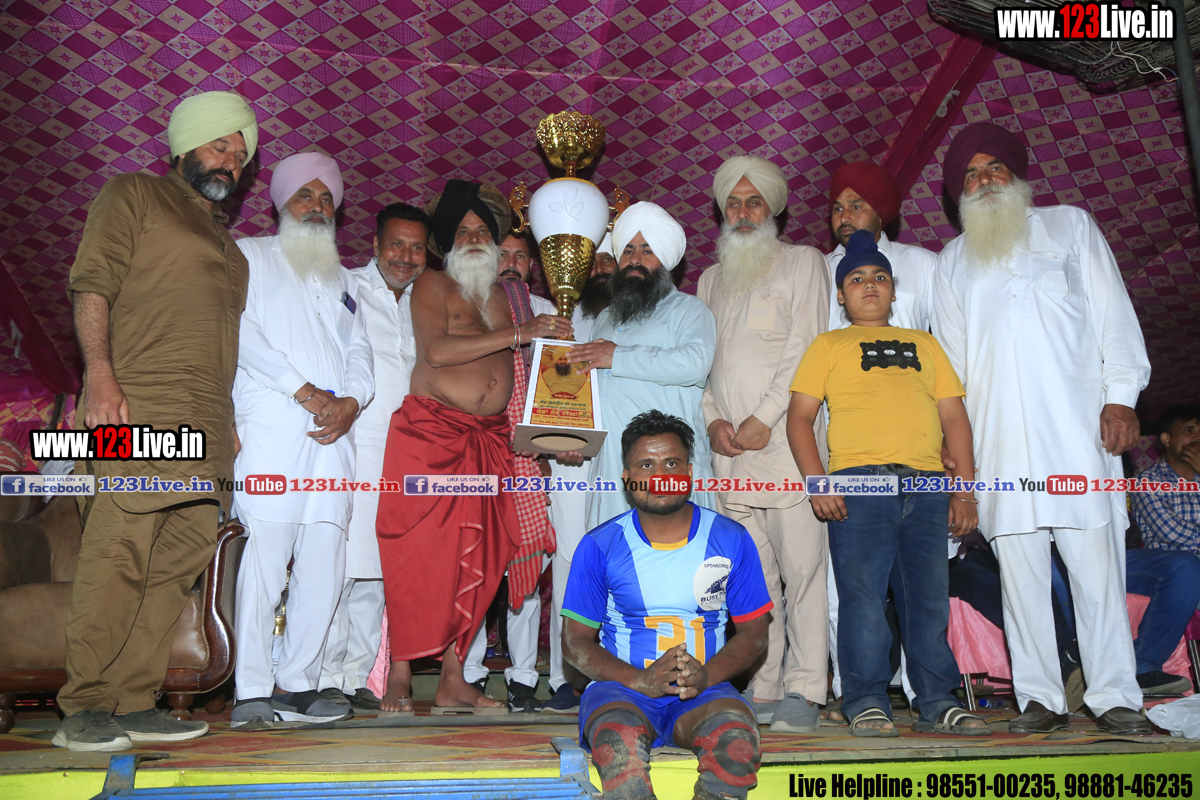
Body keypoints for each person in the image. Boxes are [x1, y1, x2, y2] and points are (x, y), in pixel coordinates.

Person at [933, 122, 1152, 735]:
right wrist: (956, 453)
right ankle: (1040, 698)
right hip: (998, 443)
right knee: (1020, 576)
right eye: (970, 175)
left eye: (993, 168)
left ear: (1017, 174)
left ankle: (1114, 696)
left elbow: (1114, 316)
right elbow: (950, 368)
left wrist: (1121, 398)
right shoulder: (952, 261)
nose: (984, 181)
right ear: (958, 193)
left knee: (1097, 569)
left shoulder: (1069, 226)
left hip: (1079, 434)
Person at [56, 90, 258, 751]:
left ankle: (134, 700)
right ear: (184, 145)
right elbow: (93, 283)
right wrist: (99, 374)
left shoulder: (232, 251)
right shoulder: (135, 194)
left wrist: (227, 420)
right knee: (119, 553)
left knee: (173, 568)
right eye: (219, 144)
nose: (230, 160)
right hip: (135, 406)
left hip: (208, 429)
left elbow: (219, 344)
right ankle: (85, 706)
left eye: (240, 153)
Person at [788, 230, 988, 738]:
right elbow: (799, 419)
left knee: (928, 599)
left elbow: (955, 419)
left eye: (880, 277)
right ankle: (866, 700)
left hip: (927, 487)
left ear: (895, 290)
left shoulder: (926, 344)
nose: (870, 285)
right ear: (840, 295)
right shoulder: (828, 345)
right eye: (856, 279)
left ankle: (937, 700)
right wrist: (818, 483)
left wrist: (965, 491)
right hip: (857, 486)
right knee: (862, 600)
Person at [375, 180, 563, 714]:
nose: (475, 239)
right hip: (430, 436)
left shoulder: (506, 299)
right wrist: (521, 333)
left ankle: (454, 679)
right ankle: (399, 675)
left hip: (491, 442)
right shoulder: (432, 285)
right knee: (417, 557)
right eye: (463, 232)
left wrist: (553, 433)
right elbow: (436, 351)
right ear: (448, 244)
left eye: (483, 231)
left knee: (479, 558)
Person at [230, 152, 374, 727]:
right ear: (281, 203)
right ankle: (251, 689)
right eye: (305, 195)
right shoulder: (249, 256)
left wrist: (351, 401)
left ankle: (299, 684)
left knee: (323, 562)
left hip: (334, 438)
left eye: (326, 198)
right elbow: (240, 333)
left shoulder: (344, 279)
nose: (317, 207)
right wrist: (306, 391)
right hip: (273, 430)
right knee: (266, 560)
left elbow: (360, 352)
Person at [562, 411, 771, 800]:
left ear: (689, 473)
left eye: (672, 463)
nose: (660, 475)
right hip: (621, 691)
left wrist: (707, 676)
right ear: (627, 478)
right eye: (646, 465)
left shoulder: (731, 538)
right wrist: (640, 680)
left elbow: (755, 633)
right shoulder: (599, 545)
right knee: (617, 743)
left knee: (736, 744)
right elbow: (575, 643)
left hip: (705, 692)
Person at [698, 155, 831, 732]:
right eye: (734, 202)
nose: (744, 212)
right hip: (731, 456)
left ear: (773, 208)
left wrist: (765, 417)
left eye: (754, 202)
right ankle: (767, 684)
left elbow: (808, 347)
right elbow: (703, 365)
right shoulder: (709, 279)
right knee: (753, 581)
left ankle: (807, 688)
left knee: (803, 574)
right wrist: (712, 422)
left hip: (785, 449)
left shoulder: (804, 262)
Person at [319, 202, 428, 712]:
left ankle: (359, 676)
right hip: (357, 447)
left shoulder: (428, 300)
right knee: (342, 567)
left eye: (416, 247)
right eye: (396, 245)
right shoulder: (347, 287)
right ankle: (324, 675)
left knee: (383, 570)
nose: (405, 257)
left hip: (410, 456)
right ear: (377, 244)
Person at [570, 202, 717, 531]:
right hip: (610, 467)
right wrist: (573, 436)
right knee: (612, 555)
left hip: (666, 465)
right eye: (628, 250)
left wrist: (618, 356)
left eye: (647, 251)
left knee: (674, 556)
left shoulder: (688, 310)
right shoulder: (605, 318)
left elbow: (695, 363)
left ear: (665, 259)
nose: (635, 260)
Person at [462, 228, 558, 712]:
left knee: (527, 570)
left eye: (521, 256)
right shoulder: (470, 306)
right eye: (504, 254)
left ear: (532, 265)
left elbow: (564, 388)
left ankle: (523, 678)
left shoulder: (548, 314)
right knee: (477, 569)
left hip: (531, 460)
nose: (512, 264)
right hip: (481, 451)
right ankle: (471, 673)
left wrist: (550, 447)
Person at [825, 162, 935, 330]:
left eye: (855, 207)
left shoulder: (923, 263)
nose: (844, 218)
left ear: (880, 213)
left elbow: (948, 332)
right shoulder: (820, 269)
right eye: (838, 209)